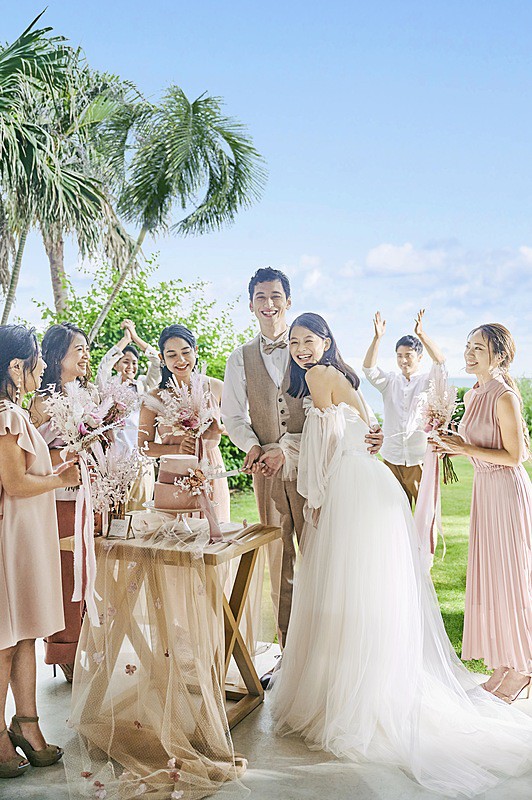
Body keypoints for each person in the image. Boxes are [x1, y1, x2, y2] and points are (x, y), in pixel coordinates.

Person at [271, 312, 532, 797]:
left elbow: (331, 438)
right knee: (360, 588)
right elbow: (357, 423)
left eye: (308, 340)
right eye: (294, 343)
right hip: (373, 480)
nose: (301, 349)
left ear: (326, 341)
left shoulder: (322, 375)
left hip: (361, 484)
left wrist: (319, 492)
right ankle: (499, 667)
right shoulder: (339, 375)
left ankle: (513, 667)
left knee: (348, 588)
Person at [222, 268, 383, 648]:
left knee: (322, 557)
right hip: (268, 474)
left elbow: (347, 398)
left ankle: (321, 648)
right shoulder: (239, 358)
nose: (268, 304)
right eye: (261, 297)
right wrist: (253, 446)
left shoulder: (309, 349)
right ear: (251, 305)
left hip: (318, 470)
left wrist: (373, 429)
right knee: (279, 562)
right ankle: (287, 652)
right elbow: (233, 416)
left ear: (288, 301)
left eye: (275, 296)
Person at [432, 323, 532, 703]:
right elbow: (476, 443)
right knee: (494, 579)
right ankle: (506, 663)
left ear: (500, 355)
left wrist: (465, 450)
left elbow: (516, 456)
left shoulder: (503, 396)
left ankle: (523, 667)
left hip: (506, 493)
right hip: (485, 491)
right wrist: (451, 443)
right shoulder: (474, 393)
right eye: (468, 346)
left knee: (512, 580)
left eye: (479, 348)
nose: (469, 353)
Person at [0, 325, 81, 779]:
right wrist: (59, 480)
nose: (45, 364)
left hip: (25, 535)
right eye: (37, 357)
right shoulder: (6, 415)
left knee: (26, 633)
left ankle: (27, 723)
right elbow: (14, 483)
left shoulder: (15, 413)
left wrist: (57, 471)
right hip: (10, 539)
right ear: (16, 367)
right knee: (5, 641)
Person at [29, 323, 98, 683]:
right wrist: (66, 455)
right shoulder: (40, 403)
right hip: (57, 501)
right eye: (78, 349)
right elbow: (29, 456)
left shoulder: (89, 395)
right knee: (66, 573)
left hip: (90, 496)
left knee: (90, 572)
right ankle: (65, 652)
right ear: (57, 357)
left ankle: (93, 645)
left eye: (87, 349)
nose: (86, 356)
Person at [138, 324, 229, 521]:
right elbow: (143, 447)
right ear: (162, 359)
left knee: (213, 532)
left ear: (195, 351)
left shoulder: (216, 387)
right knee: (175, 533)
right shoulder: (153, 398)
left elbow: (238, 425)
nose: (180, 360)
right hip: (173, 475)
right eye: (172, 355)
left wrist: (219, 429)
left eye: (186, 352)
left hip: (210, 470)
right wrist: (177, 450)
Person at [362, 309, 445, 507]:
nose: (403, 360)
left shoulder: (428, 381)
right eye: (399, 356)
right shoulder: (390, 382)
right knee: (394, 513)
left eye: (408, 355)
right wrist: (377, 338)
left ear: (420, 357)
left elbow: (440, 362)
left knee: (426, 514)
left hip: (419, 459)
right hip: (391, 457)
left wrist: (421, 335)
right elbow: (369, 369)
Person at [96, 319, 160, 509]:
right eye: (126, 362)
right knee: (117, 512)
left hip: (142, 459)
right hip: (116, 459)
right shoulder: (108, 387)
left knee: (142, 511)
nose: (131, 366)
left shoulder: (144, 386)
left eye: (134, 362)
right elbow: (103, 366)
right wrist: (125, 340)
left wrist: (135, 336)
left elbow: (157, 361)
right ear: (117, 365)